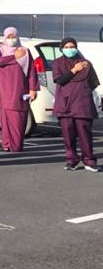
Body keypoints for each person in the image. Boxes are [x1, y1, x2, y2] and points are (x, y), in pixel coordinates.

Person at [51, 38, 99, 172]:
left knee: (85, 134)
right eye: (66, 47)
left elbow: (93, 83)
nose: (70, 49)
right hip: (65, 105)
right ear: (61, 48)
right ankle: (71, 160)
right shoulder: (57, 63)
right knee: (68, 134)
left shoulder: (86, 63)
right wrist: (74, 70)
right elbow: (60, 80)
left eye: (72, 46)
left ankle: (89, 160)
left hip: (83, 104)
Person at [0, 27, 40, 153]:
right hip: (4, 89)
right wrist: (14, 56)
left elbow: (31, 71)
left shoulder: (25, 51)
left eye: (13, 36)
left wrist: (33, 89)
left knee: (18, 119)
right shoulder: (0, 49)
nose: (11, 39)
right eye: (8, 37)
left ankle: (16, 146)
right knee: (5, 119)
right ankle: (7, 144)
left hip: (20, 89)